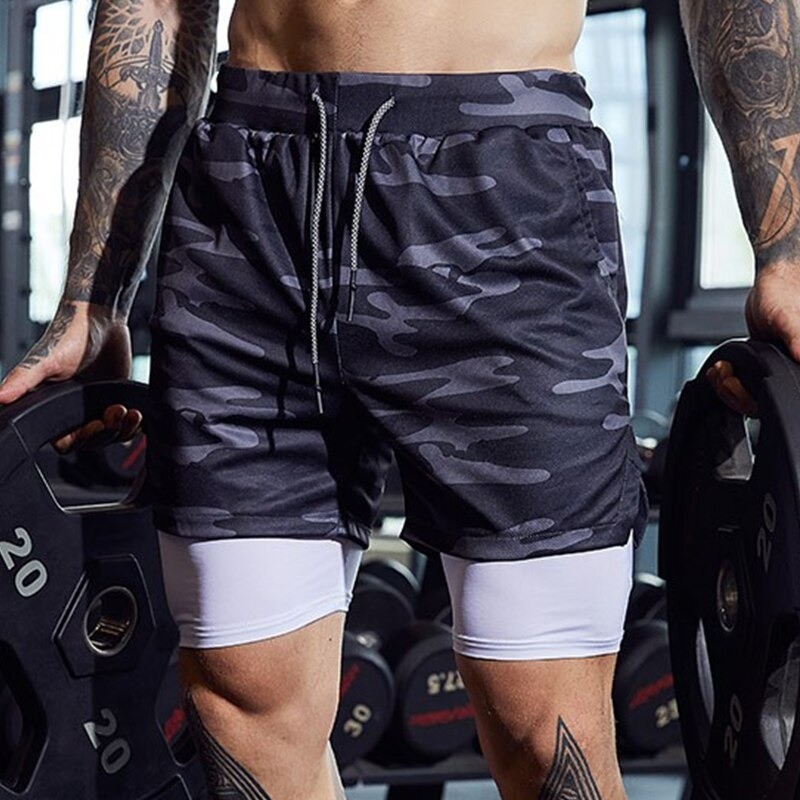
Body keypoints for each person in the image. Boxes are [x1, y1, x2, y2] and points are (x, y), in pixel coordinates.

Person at [0, 1, 798, 798]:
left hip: (500, 196)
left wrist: (784, 254)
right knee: (242, 705)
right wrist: (95, 294)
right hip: (247, 204)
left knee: (544, 728)